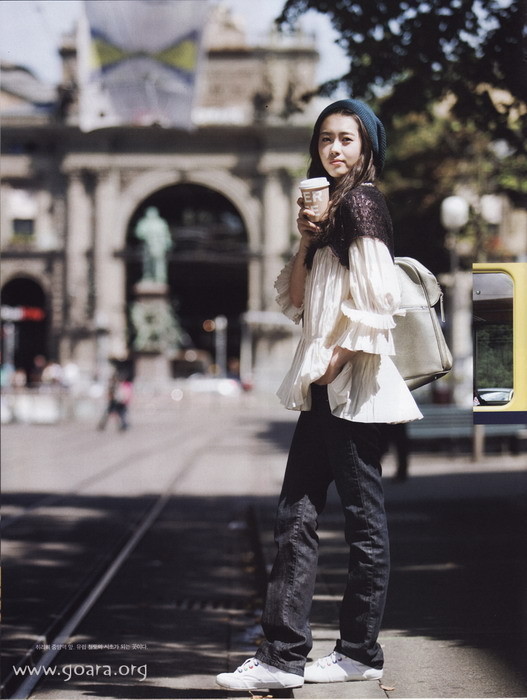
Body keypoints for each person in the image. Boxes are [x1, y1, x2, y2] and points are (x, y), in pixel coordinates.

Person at [216, 99, 422, 692]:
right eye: (326, 138)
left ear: (367, 148)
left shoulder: (362, 204)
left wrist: (331, 365)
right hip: (325, 386)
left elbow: (379, 299)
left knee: (360, 520)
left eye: (346, 139)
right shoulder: (333, 211)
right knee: (297, 516)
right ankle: (284, 656)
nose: (334, 148)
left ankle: (355, 651)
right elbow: (298, 299)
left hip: (350, 387)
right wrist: (308, 239)